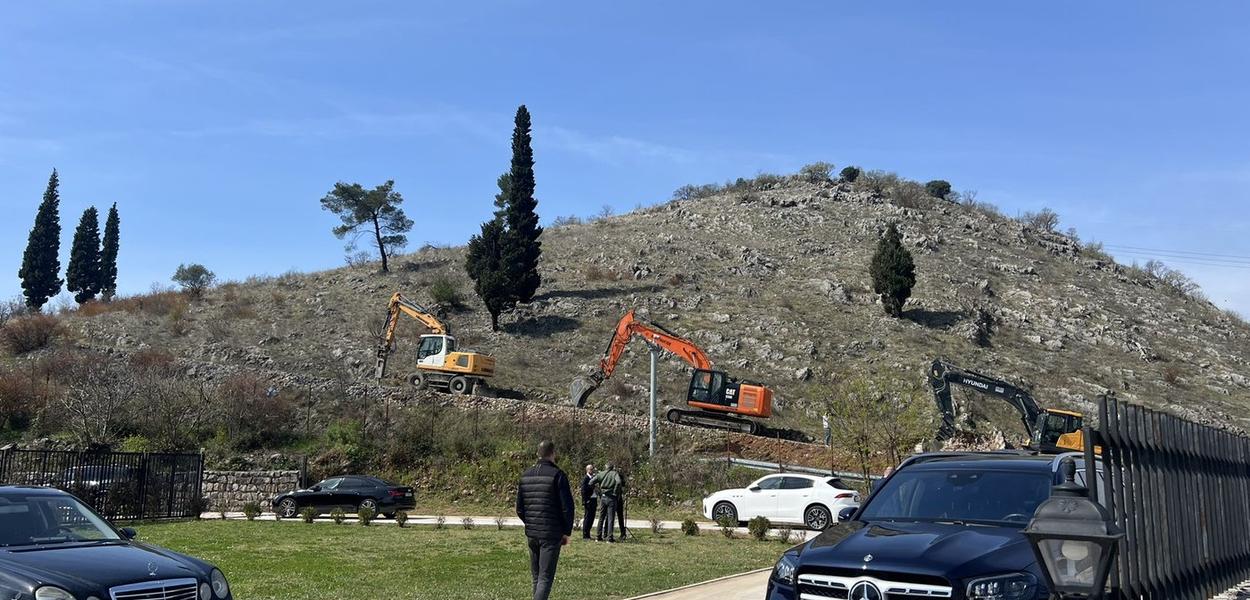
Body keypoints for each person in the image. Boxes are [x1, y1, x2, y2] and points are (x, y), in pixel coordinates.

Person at [516, 440, 575, 600]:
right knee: (545, 578)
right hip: (551, 533)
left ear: (537, 454)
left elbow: (519, 508)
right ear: (553, 454)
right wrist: (565, 531)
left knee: (536, 577)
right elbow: (567, 508)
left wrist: (530, 522)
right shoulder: (558, 475)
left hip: (532, 533)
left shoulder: (526, 475)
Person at [591, 461, 622, 542]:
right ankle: (609, 538)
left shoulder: (601, 474)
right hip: (611, 497)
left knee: (601, 517)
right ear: (612, 467)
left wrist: (598, 491)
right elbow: (618, 482)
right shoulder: (614, 474)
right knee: (610, 518)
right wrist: (615, 491)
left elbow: (591, 482)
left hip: (603, 497)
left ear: (606, 467)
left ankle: (598, 536)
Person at [579, 464, 597, 540]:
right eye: (591, 469)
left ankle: (588, 534)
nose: (592, 471)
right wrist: (586, 500)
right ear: (587, 470)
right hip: (588, 500)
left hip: (594, 499)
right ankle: (585, 535)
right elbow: (583, 490)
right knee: (587, 517)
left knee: (592, 517)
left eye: (593, 469)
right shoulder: (585, 478)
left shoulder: (593, 478)